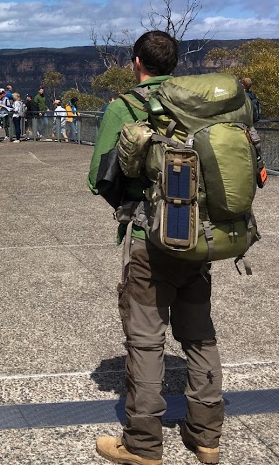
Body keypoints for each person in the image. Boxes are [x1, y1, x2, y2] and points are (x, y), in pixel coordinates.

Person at [90, 31, 223, 465]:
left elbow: (97, 178)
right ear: (175, 64)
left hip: (152, 241)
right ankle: (206, 438)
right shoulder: (198, 108)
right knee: (200, 335)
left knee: (146, 341)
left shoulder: (123, 107)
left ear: (136, 62)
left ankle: (143, 444)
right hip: (199, 240)